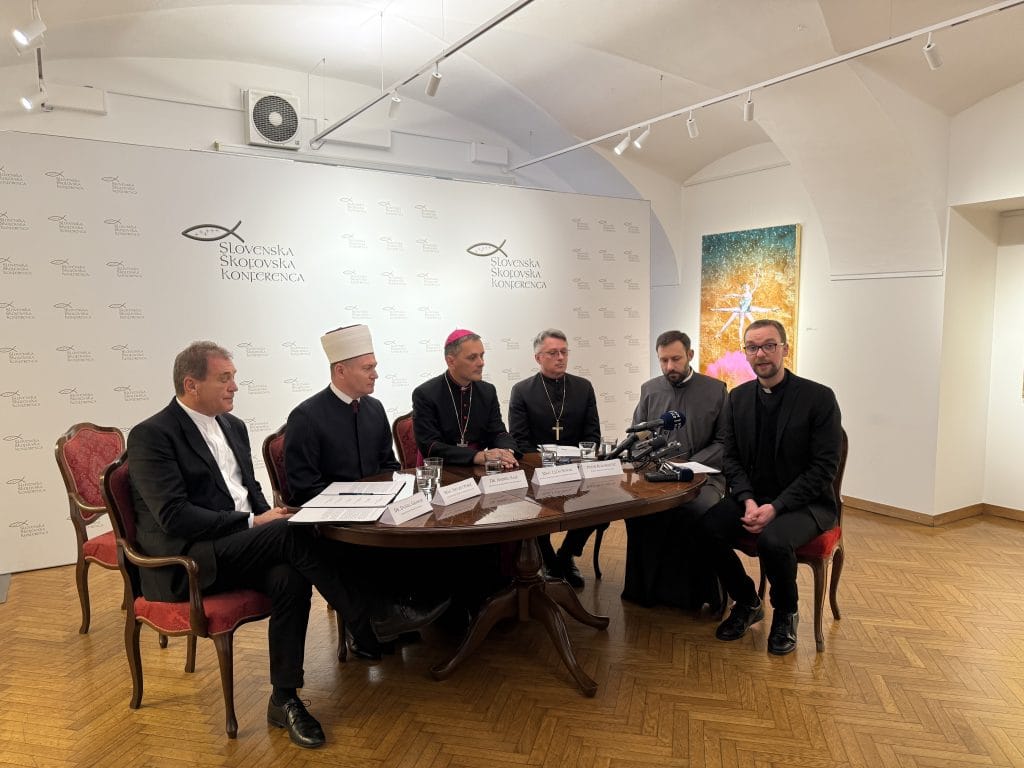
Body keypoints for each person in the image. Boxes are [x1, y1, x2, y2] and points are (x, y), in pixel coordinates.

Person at [128, 340, 383, 748]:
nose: (235, 386)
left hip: (240, 546)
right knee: (290, 534)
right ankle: (369, 617)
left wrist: (267, 514)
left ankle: (284, 698)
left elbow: (252, 495)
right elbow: (174, 516)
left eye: (234, 377)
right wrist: (254, 522)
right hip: (188, 561)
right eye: (224, 378)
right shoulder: (152, 435)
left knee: (289, 574)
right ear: (191, 385)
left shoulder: (234, 426)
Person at [283, 324, 448, 657]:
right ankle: (369, 629)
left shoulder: (374, 409)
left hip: (378, 514)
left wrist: (397, 495)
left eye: (374, 366)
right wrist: (358, 504)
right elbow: (303, 489)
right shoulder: (306, 416)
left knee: (427, 537)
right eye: (368, 368)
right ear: (341, 370)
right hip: (335, 526)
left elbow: (388, 465)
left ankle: (406, 616)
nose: (376, 374)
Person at [700, 319, 842, 655]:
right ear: (746, 353)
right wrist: (748, 500)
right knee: (705, 527)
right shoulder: (737, 398)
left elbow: (823, 468)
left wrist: (776, 507)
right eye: (752, 347)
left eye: (768, 345)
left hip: (806, 504)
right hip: (754, 497)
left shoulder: (819, 398)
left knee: (774, 540)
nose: (760, 353)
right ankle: (747, 601)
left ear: (785, 349)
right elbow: (731, 458)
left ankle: (785, 613)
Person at [621, 330, 728, 610]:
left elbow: (724, 441)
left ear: (690, 355)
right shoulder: (649, 390)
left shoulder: (716, 390)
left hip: (704, 478)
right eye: (663, 360)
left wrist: (691, 465)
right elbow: (639, 436)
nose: (670, 366)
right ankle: (646, 591)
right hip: (657, 475)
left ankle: (691, 596)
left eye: (676, 359)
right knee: (639, 512)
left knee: (693, 513)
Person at [508, 328, 601, 587]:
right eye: (552, 353)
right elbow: (520, 441)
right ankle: (548, 558)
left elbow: (593, 435)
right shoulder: (522, 390)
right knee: (532, 508)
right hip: (538, 473)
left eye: (564, 352)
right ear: (538, 358)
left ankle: (565, 556)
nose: (560, 357)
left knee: (604, 504)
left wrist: (575, 465)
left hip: (578, 472)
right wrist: (548, 466)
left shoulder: (583, 387)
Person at [412, 328, 519, 469]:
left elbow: (498, 432)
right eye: (472, 357)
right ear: (451, 361)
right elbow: (430, 445)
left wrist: (506, 452)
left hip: (477, 468)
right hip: (441, 470)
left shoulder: (487, 391)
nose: (481, 362)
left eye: (482, 355)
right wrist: (478, 456)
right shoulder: (425, 394)